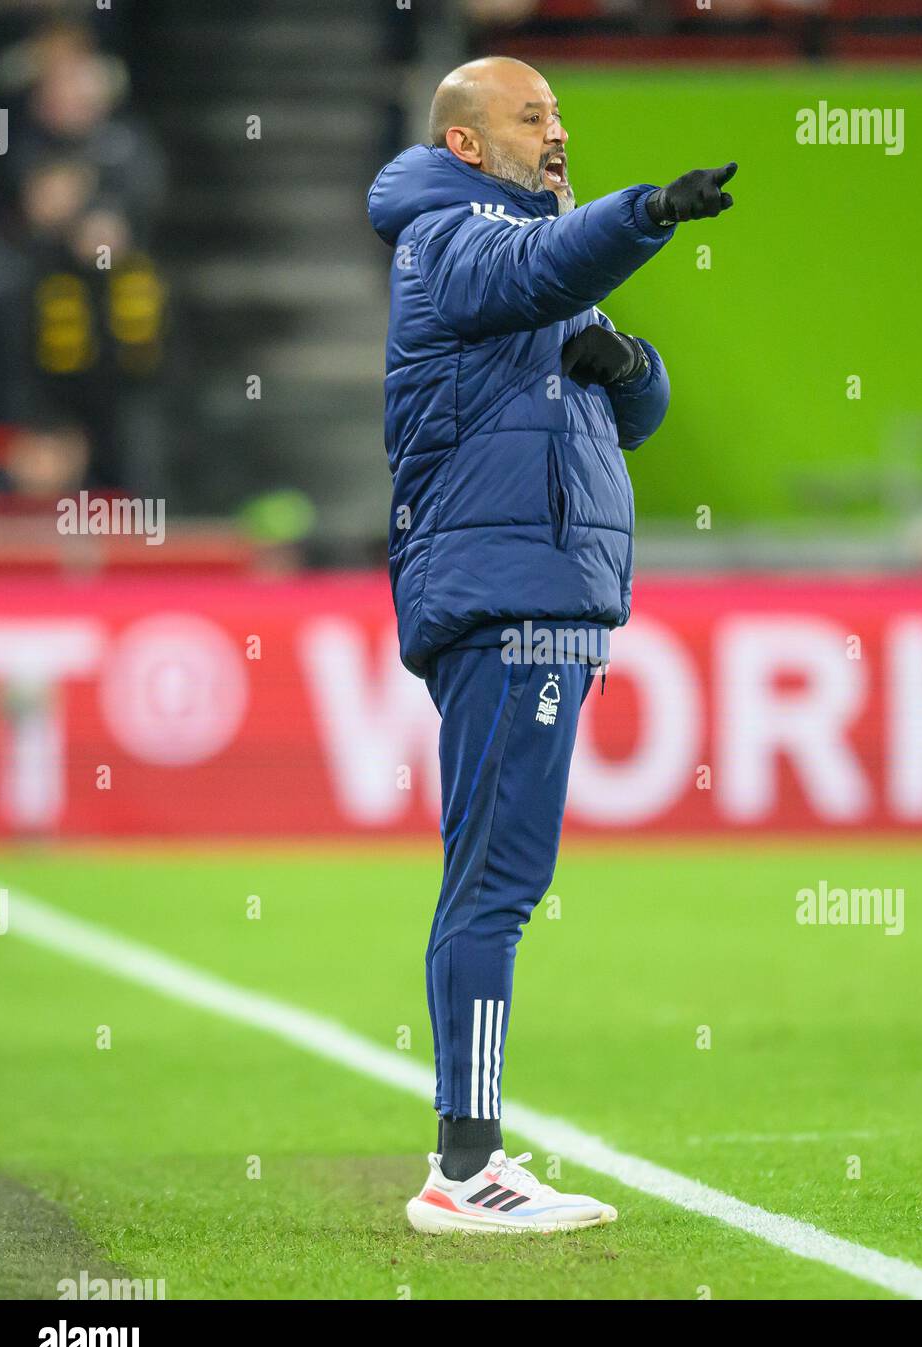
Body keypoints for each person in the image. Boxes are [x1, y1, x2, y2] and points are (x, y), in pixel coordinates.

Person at [367, 55, 735, 1233]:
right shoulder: (452, 236)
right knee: (497, 883)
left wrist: (633, 369)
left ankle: (468, 1157)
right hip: (507, 600)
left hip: (543, 596)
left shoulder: (532, 251)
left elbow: (625, 411)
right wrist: (650, 214)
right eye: (533, 116)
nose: (556, 129)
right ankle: (464, 1170)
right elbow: (532, 274)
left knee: (498, 877)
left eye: (562, 111)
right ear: (469, 142)